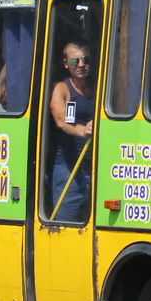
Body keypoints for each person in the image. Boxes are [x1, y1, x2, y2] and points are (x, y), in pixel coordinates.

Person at [48, 41, 94, 222]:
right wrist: (84, 131)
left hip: (94, 166)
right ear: (66, 64)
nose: (81, 65)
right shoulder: (61, 88)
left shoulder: (97, 88)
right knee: (65, 221)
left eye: (85, 60)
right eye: (75, 62)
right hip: (69, 169)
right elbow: (61, 122)